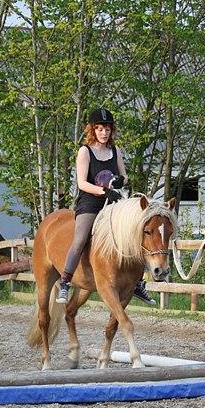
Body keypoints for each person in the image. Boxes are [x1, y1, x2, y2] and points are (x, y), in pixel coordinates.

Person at [56, 107, 155, 306]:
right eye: (100, 129)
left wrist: (120, 181)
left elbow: (124, 176)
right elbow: (82, 183)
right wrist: (103, 191)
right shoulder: (85, 152)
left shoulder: (114, 150)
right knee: (80, 239)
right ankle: (65, 281)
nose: (104, 133)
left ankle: (137, 282)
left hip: (114, 203)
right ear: (93, 130)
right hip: (91, 203)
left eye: (107, 129)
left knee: (136, 233)